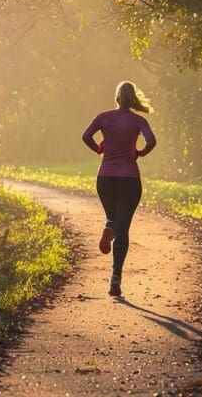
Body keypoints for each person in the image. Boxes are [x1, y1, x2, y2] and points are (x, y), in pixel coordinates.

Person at [81, 81, 157, 297]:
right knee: (123, 230)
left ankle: (108, 225)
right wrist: (139, 153)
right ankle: (115, 278)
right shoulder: (138, 120)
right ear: (133, 98)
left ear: (116, 97)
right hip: (129, 178)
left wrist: (98, 148)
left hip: (105, 176)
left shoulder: (104, 117)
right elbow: (152, 141)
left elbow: (85, 136)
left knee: (112, 215)